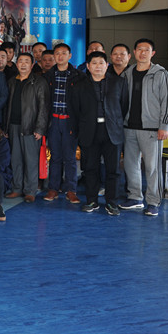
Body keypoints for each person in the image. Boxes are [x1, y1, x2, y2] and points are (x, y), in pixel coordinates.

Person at [120, 39, 168, 216]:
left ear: (153, 53)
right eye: (139, 49)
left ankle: (153, 201)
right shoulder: (127, 73)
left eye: (147, 50)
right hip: (129, 127)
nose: (143, 53)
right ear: (134, 52)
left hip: (151, 129)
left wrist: (164, 125)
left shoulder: (161, 74)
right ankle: (135, 197)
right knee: (131, 165)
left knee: (152, 168)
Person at [70, 51, 128, 216]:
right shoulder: (79, 85)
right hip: (89, 131)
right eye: (94, 63)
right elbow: (75, 110)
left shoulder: (119, 82)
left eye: (101, 63)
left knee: (113, 170)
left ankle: (111, 203)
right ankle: (91, 201)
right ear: (88, 66)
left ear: (107, 65)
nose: (98, 66)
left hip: (112, 132)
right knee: (90, 169)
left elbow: (124, 106)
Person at [4, 53, 48, 203]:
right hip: (13, 125)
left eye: (26, 62)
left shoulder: (39, 82)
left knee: (31, 160)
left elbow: (43, 106)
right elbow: (7, 106)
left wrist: (40, 128)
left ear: (32, 64)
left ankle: (30, 191)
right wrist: (5, 128)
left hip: (30, 127)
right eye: (20, 61)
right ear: (16, 64)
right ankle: (17, 188)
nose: (23, 64)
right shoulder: (12, 81)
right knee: (15, 159)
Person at [43, 43, 84, 203]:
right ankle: (53, 188)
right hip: (53, 121)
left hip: (69, 121)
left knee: (70, 157)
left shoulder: (79, 76)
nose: (60, 56)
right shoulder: (48, 76)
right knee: (55, 157)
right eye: (57, 53)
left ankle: (71, 190)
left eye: (64, 53)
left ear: (70, 56)